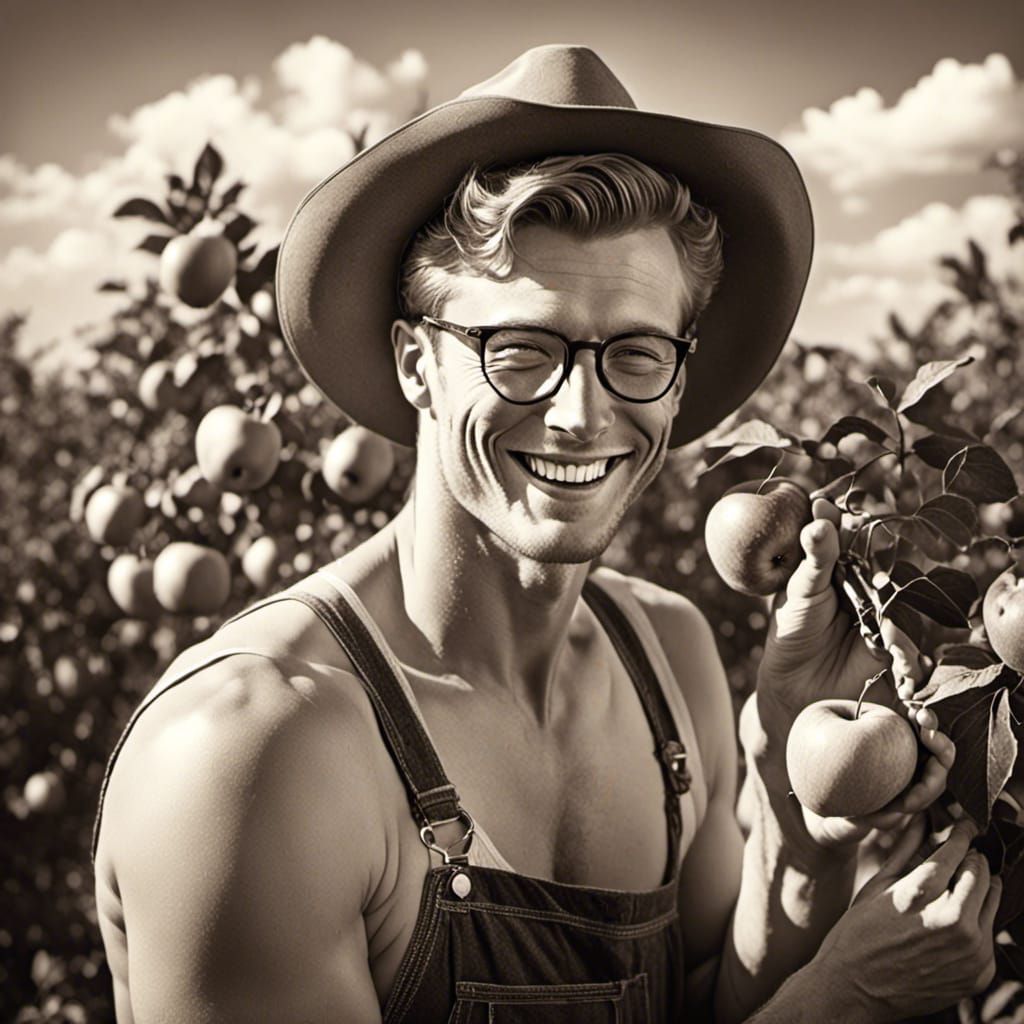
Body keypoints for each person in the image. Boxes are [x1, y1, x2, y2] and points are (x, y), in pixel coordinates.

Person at [92, 45, 1000, 1023]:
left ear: (680, 378)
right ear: (416, 364)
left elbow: (709, 1001)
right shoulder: (251, 752)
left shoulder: (669, 657)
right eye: (518, 349)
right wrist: (842, 1002)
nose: (581, 412)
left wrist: (800, 818)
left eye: (635, 353)